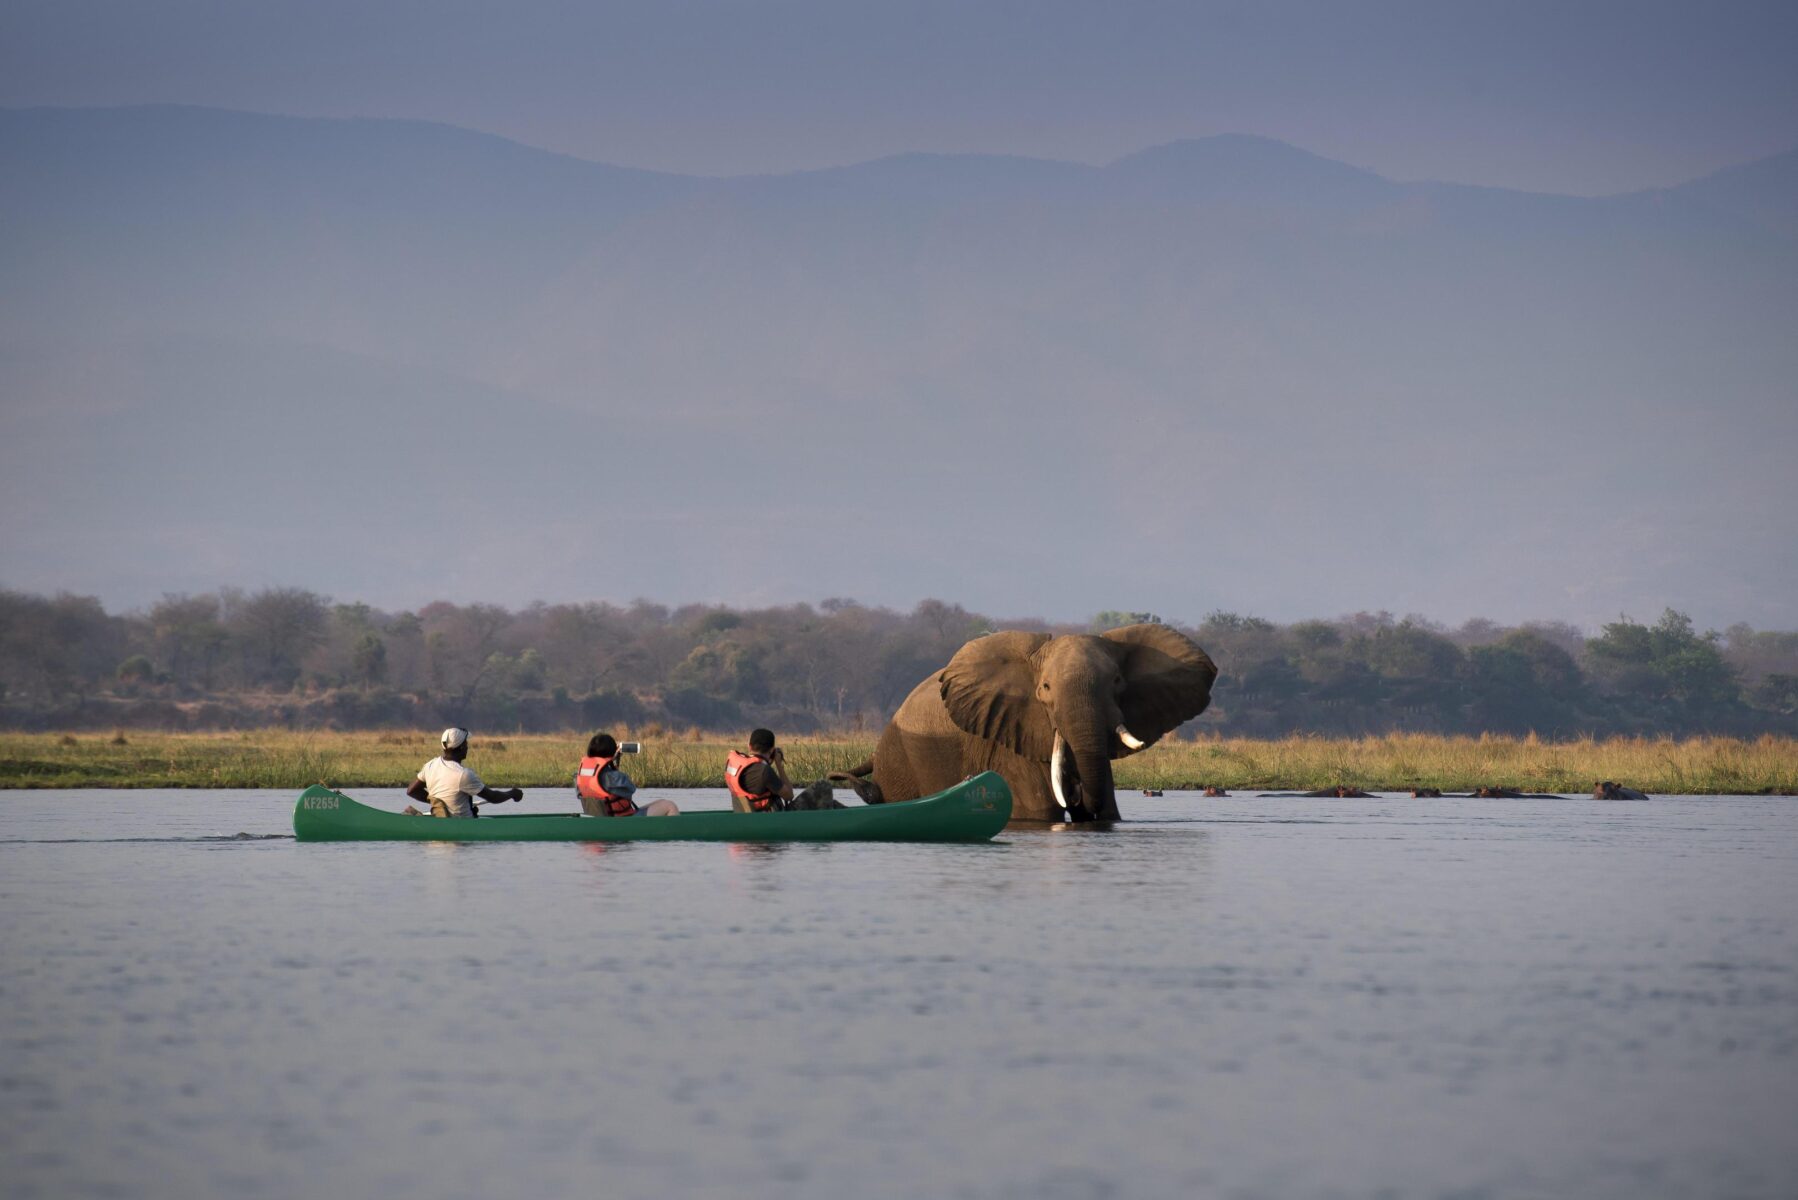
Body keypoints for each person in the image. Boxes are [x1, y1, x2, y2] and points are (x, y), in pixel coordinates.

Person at [405, 727, 522, 818]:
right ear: (461, 748)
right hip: (462, 824)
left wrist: (439, 804)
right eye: (466, 744)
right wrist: (512, 793)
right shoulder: (464, 774)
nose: (467, 747)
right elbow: (493, 797)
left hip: (440, 822)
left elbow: (412, 790)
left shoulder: (430, 765)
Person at [576, 733, 678, 817]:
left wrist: (611, 765)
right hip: (621, 821)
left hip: (599, 818)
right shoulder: (614, 777)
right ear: (611, 753)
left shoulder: (579, 776)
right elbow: (631, 790)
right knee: (670, 805)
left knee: (661, 801)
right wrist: (615, 763)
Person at [725, 728, 795, 813]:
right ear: (772, 750)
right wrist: (779, 765)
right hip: (767, 820)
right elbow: (789, 796)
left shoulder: (737, 765)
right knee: (816, 788)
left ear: (750, 747)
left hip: (742, 816)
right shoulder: (765, 772)